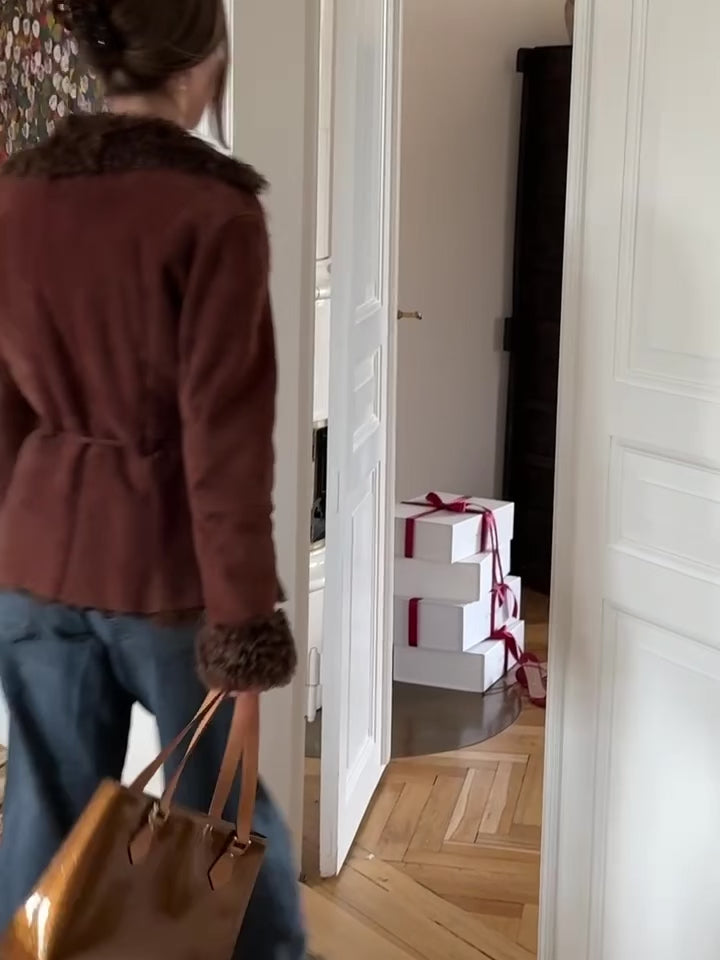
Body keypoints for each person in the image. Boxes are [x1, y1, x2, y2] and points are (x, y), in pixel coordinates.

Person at [0, 0, 306, 956]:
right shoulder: (214, 212)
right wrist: (244, 623)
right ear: (202, 60)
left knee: (44, 821)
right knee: (221, 831)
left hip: (36, 557)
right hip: (169, 575)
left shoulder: (16, 198)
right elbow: (225, 442)